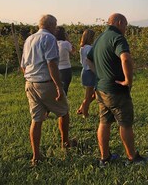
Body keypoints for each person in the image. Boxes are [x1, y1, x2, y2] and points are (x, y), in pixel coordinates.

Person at [87, 13, 148, 167]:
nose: (126, 29)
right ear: (120, 22)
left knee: (104, 122)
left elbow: (88, 59)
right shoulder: (117, 38)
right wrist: (128, 80)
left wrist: (100, 74)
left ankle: (105, 158)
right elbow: (126, 58)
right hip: (116, 90)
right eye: (126, 26)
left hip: (101, 89)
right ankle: (132, 158)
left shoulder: (100, 38)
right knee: (125, 124)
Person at [21, 14, 75, 167]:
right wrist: (58, 86)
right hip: (45, 82)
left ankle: (36, 156)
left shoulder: (28, 39)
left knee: (36, 119)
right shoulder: (49, 38)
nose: (56, 28)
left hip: (30, 83)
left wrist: (29, 78)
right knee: (64, 111)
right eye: (55, 25)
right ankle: (65, 142)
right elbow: (51, 64)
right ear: (51, 25)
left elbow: (23, 65)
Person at [76, 29, 96, 118]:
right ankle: (85, 113)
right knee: (88, 96)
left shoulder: (82, 48)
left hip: (85, 71)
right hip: (90, 71)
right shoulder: (90, 48)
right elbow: (90, 61)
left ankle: (82, 108)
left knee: (93, 94)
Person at [55, 26, 74, 96]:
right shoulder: (66, 43)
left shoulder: (53, 43)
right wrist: (68, 39)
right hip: (66, 69)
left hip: (55, 68)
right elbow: (73, 51)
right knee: (64, 89)